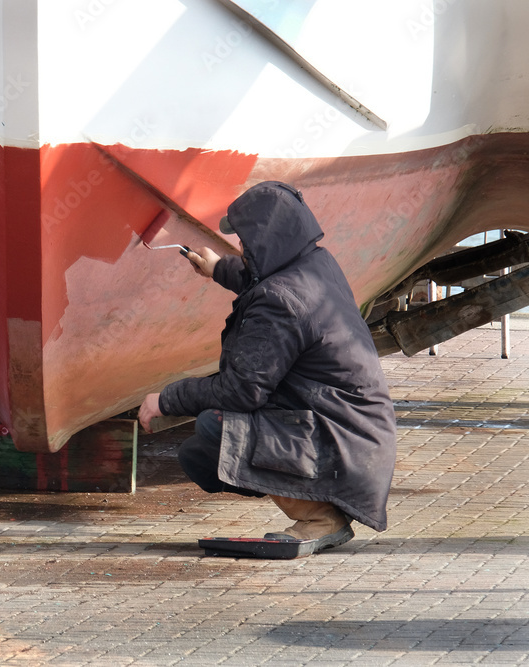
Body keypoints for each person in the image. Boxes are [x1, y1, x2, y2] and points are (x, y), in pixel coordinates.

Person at [138, 181, 397, 554]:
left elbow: (241, 391)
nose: (241, 246)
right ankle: (320, 503)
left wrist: (165, 399)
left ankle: (321, 517)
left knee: (216, 426)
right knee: (199, 455)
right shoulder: (316, 264)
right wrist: (218, 270)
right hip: (356, 437)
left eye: (245, 238)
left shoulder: (280, 303)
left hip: (340, 443)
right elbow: (274, 280)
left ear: (268, 237)